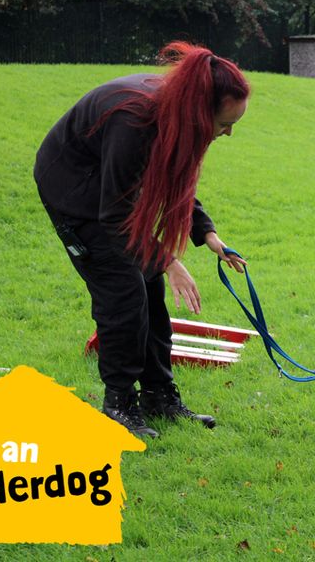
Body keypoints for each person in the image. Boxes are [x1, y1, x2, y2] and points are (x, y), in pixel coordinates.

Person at [34, 41, 249, 438]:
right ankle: (117, 405)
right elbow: (113, 215)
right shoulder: (135, 117)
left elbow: (175, 179)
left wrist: (208, 234)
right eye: (224, 124)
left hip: (111, 194)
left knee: (149, 291)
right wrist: (169, 261)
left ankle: (159, 397)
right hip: (75, 194)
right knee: (124, 293)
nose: (228, 132)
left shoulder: (178, 114)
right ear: (201, 111)